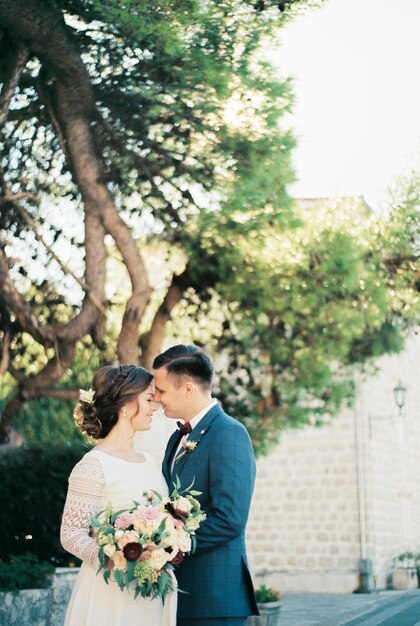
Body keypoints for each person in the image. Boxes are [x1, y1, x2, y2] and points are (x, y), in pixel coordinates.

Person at [60, 364, 176, 626]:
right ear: (125, 405)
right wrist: (116, 559)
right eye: (148, 399)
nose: (154, 407)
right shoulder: (93, 466)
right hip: (108, 593)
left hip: (148, 589)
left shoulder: (149, 461)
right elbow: (70, 535)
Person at [153, 345, 259, 626]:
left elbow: (230, 519)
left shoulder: (230, 433)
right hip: (181, 596)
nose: (155, 397)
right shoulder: (176, 439)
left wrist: (170, 543)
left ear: (188, 389)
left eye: (161, 390)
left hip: (215, 598)